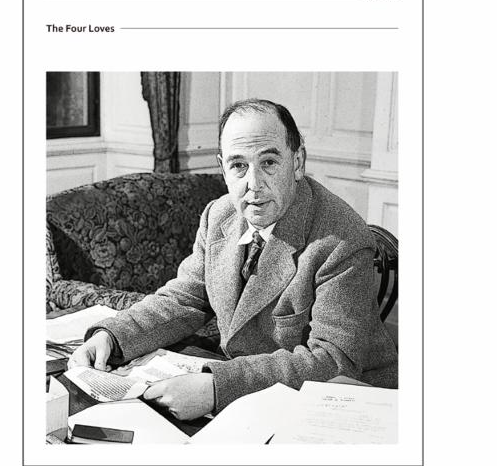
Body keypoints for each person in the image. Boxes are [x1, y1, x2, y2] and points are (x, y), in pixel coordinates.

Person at [68, 99, 398, 420]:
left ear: (297, 162)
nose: (253, 184)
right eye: (238, 165)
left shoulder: (342, 237)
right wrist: (113, 336)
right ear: (222, 167)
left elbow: (333, 361)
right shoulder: (219, 215)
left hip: (343, 403)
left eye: (269, 162)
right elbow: (183, 298)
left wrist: (218, 388)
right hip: (255, 392)